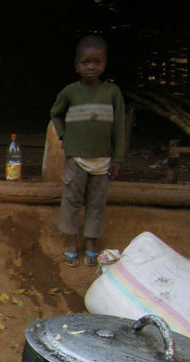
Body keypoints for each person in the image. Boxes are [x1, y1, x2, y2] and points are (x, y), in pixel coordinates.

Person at [50, 34, 126, 267]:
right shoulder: (70, 92)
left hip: (103, 160)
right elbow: (55, 113)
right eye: (86, 62)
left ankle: (91, 243)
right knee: (72, 200)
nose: (91, 67)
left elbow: (120, 128)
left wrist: (118, 159)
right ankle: (72, 242)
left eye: (97, 62)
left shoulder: (112, 93)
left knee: (96, 202)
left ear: (104, 64)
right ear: (77, 66)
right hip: (76, 158)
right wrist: (63, 135)